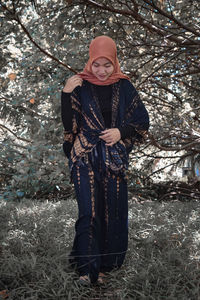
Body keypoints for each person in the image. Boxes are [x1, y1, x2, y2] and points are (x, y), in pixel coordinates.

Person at [61, 35, 149, 285]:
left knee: (112, 210)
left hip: (113, 158)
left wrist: (121, 131)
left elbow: (142, 121)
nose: (101, 70)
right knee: (89, 212)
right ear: (90, 61)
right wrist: (66, 94)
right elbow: (70, 125)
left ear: (115, 62)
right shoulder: (79, 85)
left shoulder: (124, 87)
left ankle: (105, 267)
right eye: (96, 64)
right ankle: (86, 270)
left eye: (107, 64)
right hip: (85, 156)